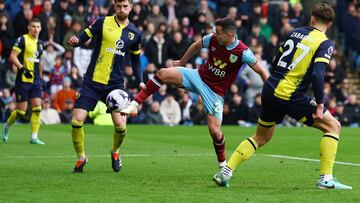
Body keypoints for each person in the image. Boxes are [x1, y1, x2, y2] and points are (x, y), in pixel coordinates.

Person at [213, 3, 352, 190]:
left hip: (270, 87)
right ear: (331, 24)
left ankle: (226, 171)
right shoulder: (325, 42)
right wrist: (320, 104)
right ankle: (325, 178)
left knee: (261, 137)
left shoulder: (294, 32)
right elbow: (318, 74)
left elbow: (275, 60)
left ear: (311, 18)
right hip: (289, 93)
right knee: (334, 126)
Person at [121, 17, 269, 169]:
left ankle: (222, 164)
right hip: (198, 76)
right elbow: (197, 45)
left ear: (229, 35)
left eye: (218, 33)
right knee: (163, 73)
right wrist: (183, 62)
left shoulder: (243, 52)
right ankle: (135, 104)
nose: (214, 34)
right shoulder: (212, 39)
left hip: (215, 92)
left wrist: (271, 92)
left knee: (215, 131)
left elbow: (262, 71)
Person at [68, 0, 143, 173]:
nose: (122, 9)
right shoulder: (102, 22)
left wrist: (140, 80)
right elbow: (84, 35)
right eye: (119, 6)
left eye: (125, 6)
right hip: (92, 81)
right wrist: (76, 40)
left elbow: (136, 60)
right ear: (114, 6)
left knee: (121, 126)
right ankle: (81, 158)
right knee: (76, 120)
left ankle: (115, 152)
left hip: (115, 86)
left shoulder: (135, 34)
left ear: (131, 7)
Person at [1, 18, 45, 144]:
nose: (36, 29)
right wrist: (22, 68)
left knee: (37, 108)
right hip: (23, 80)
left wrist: (41, 79)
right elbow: (12, 56)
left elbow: (40, 62)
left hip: (36, 81)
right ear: (29, 27)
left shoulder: (41, 43)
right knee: (21, 111)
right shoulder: (22, 39)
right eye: (33, 26)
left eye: (38, 27)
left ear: (41, 28)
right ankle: (6, 126)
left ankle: (34, 137)